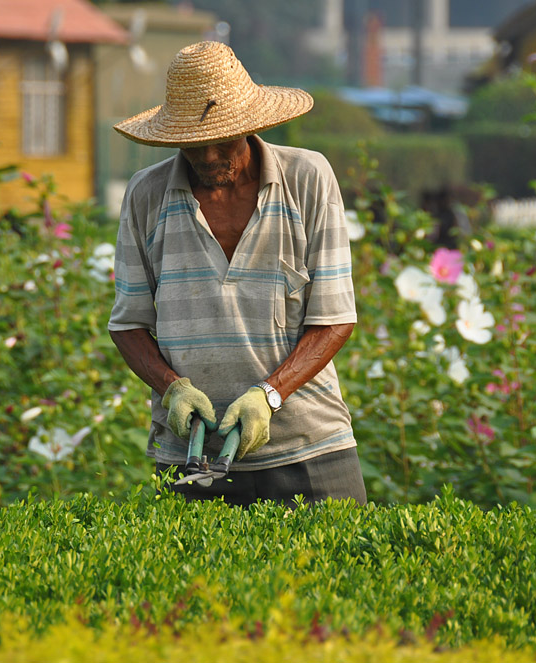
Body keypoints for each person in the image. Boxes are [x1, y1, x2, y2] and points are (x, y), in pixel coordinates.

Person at [107, 41, 366, 507]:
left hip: (309, 449)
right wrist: (173, 389)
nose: (207, 157)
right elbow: (128, 323)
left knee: (336, 575)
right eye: (192, 144)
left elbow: (334, 318)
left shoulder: (307, 178)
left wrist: (269, 395)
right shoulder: (145, 196)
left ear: (249, 127)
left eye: (222, 140)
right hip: (191, 458)